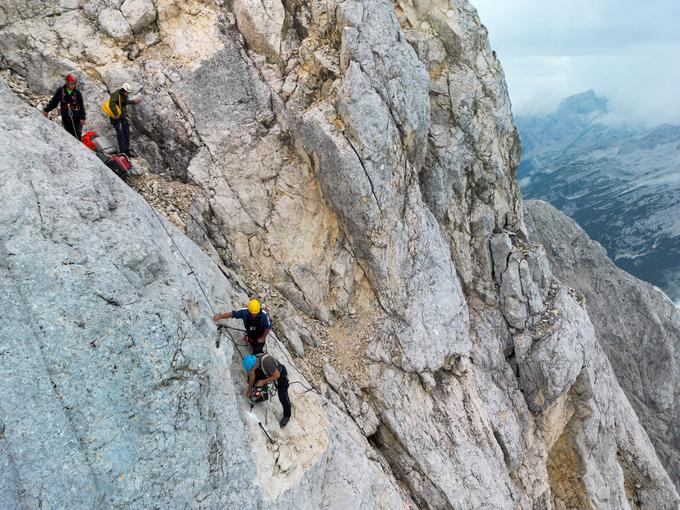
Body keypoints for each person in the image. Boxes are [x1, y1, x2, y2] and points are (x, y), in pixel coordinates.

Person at [243, 353, 291, 428]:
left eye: (252, 368)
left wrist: (263, 382)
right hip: (268, 372)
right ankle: (262, 395)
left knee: (282, 395)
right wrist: (249, 390)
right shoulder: (255, 361)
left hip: (280, 374)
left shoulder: (266, 362)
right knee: (252, 379)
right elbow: (252, 374)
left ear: (254, 364)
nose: (252, 370)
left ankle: (287, 415)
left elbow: (277, 375)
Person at [43, 74, 86, 141]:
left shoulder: (77, 93)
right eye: (71, 84)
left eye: (74, 84)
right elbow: (54, 102)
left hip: (76, 118)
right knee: (69, 134)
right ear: (67, 82)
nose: (73, 85)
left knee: (77, 133)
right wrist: (46, 110)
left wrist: (82, 118)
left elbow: (81, 106)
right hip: (65, 117)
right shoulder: (60, 91)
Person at [108, 83, 141, 157]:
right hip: (116, 119)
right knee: (121, 135)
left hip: (123, 118)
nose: (128, 94)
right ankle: (123, 152)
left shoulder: (123, 95)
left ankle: (127, 151)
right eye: (127, 92)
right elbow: (111, 104)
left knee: (126, 133)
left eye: (128, 93)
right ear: (123, 90)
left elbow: (124, 102)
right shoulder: (116, 95)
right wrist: (116, 113)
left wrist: (133, 102)